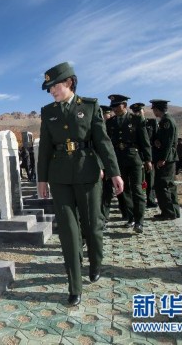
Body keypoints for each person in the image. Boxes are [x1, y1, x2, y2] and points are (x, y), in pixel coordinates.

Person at [37, 62, 123, 306]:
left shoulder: (89, 106)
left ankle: (96, 261)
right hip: (60, 177)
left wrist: (114, 172)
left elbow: (103, 142)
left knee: (92, 226)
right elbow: (44, 149)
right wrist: (42, 179)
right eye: (49, 87)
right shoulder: (48, 112)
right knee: (68, 232)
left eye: (55, 86)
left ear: (69, 82)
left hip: (88, 173)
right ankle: (75, 286)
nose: (52, 90)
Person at [106, 97, 152, 234]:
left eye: (117, 106)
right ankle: (130, 217)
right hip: (118, 160)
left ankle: (139, 221)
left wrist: (148, 159)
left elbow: (144, 140)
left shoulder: (136, 119)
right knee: (124, 190)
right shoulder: (110, 122)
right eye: (113, 106)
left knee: (137, 190)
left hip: (134, 158)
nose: (114, 108)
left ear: (124, 105)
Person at [150, 100, 180, 220]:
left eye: (154, 109)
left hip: (166, 159)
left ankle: (167, 212)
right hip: (170, 158)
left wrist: (163, 158)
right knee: (170, 185)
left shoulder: (166, 121)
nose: (153, 111)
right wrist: (157, 141)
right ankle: (174, 211)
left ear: (158, 109)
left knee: (161, 185)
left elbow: (168, 143)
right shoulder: (168, 120)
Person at [130, 102, 159, 208]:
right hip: (137, 155)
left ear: (144, 111)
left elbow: (156, 138)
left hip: (150, 154)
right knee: (137, 180)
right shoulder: (131, 123)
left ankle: (150, 199)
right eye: (135, 111)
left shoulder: (151, 122)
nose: (137, 113)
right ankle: (137, 200)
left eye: (139, 111)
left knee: (150, 178)